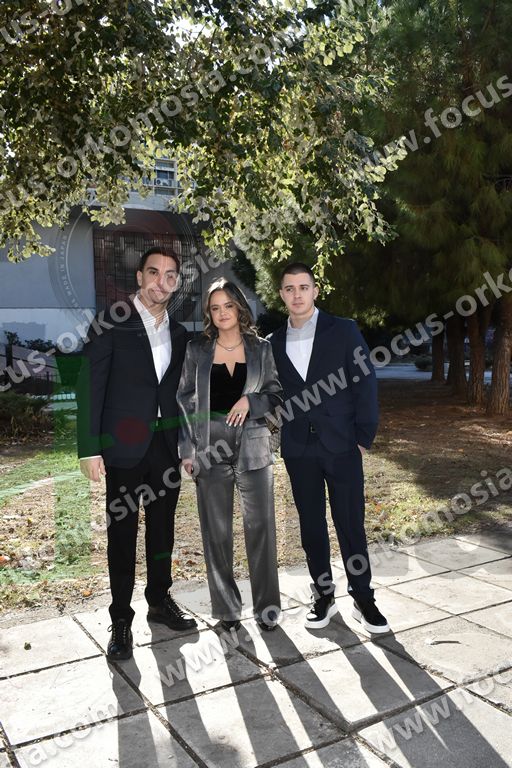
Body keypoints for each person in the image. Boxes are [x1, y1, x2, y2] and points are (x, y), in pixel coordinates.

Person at [77, 246, 197, 662]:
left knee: (162, 531)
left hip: (165, 448)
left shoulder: (179, 333)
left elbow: (181, 392)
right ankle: (121, 619)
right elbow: (90, 385)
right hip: (123, 449)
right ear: (140, 277)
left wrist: (187, 444)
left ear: (176, 283)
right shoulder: (111, 322)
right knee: (122, 534)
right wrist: (89, 448)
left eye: (170, 275)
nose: (161, 281)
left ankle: (159, 601)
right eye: (154, 272)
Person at [268, 262, 389, 633]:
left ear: (315, 290)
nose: (297, 295)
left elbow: (365, 383)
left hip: (343, 445)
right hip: (299, 449)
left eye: (303, 287)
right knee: (311, 526)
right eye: (290, 288)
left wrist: (362, 439)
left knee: (350, 524)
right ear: (282, 294)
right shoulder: (272, 342)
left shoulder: (344, 330)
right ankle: (323, 595)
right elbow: (271, 394)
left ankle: (363, 597)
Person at [177, 278, 283, 632]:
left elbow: (276, 395)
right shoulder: (197, 349)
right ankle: (227, 611)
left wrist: (251, 401)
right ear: (209, 313)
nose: (222, 313)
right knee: (217, 532)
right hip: (209, 446)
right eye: (215, 308)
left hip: (253, 445)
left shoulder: (261, 349)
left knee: (261, 527)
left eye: (228, 306)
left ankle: (267, 608)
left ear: (239, 307)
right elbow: (184, 401)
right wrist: (188, 450)